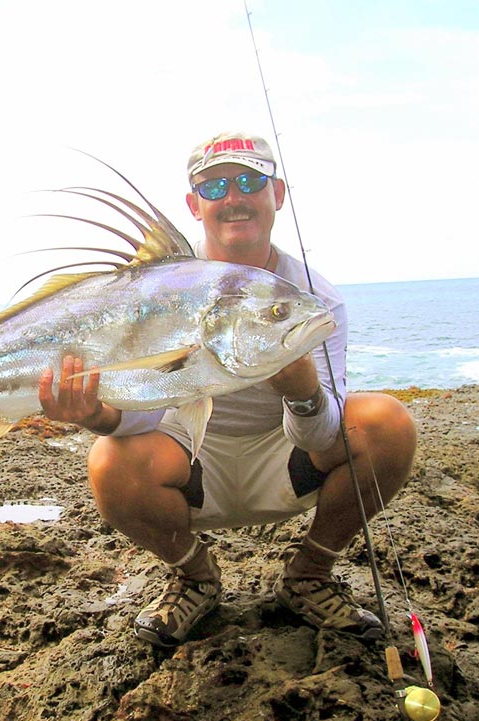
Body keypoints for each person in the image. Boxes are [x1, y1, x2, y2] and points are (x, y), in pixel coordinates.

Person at [38, 131, 417, 648]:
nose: (234, 197)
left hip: (283, 456)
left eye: (249, 181)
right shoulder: (164, 288)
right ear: (195, 206)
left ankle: (309, 574)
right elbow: (149, 411)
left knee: (388, 423)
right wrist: (97, 417)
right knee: (108, 461)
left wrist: (302, 392)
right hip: (190, 457)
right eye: (215, 187)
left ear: (276, 195)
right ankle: (194, 577)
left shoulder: (314, 299)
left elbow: (323, 436)